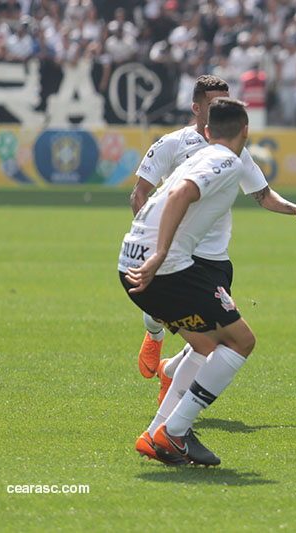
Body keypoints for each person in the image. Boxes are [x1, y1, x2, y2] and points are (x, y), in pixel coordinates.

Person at [128, 75, 296, 459]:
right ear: (197, 109)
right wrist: (154, 243)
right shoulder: (173, 145)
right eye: (214, 102)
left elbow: (263, 195)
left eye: (226, 102)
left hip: (215, 258)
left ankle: (168, 391)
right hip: (177, 257)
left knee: (209, 340)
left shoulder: (234, 155)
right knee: (228, 340)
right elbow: (143, 193)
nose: (220, 108)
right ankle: (167, 407)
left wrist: (294, 208)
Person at [119, 98, 255, 465]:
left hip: (129, 259)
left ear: (209, 132)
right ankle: (173, 431)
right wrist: (161, 254)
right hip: (163, 267)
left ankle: (158, 434)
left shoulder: (200, 155)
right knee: (241, 341)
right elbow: (180, 194)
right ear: (245, 130)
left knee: (206, 345)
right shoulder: (227, 160)